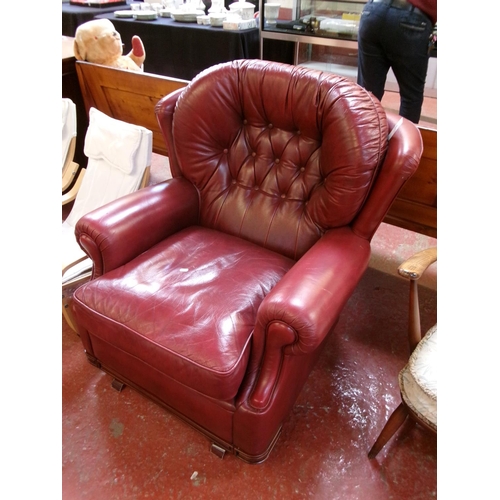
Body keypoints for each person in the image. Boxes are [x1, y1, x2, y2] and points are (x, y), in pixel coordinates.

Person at [356, 0, 437, 124]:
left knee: (367, 93)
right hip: (412, 19)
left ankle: (363, 139)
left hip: (373, 11)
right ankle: (406, 142)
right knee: (411, 97)